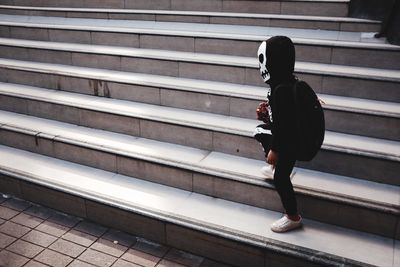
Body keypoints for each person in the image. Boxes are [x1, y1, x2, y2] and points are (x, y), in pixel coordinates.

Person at [254, 36, 302, 233]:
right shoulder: (286, 83)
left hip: (289, 141)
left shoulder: (281, 90)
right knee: (260, 131)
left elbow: (284, 126)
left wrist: (274, 150)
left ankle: (293, 216)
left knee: (281, 178)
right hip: (289, 138)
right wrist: (267, 111)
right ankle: (277, 166)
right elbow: (279, 118)